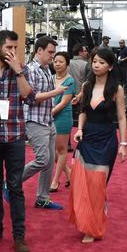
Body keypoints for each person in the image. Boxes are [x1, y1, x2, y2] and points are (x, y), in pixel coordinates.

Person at [67, 48, 127, 244]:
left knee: (97, 185)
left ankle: (95, 222)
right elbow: (83, 110)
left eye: (101, 62)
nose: (96, 65)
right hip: (87, 139)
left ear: (110, 66)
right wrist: (79, 129)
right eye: (94, 61)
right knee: (82, 183)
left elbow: (121, 117)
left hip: (106, 140)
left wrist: (124, 144)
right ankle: (89, 223)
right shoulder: (87, 84)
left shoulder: (116, 89)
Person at [0, 30, 33, 252]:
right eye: (9, 48)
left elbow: (29, 97)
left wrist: (18, 71)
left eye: (16, 48)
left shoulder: (21, 70)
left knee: (15, 186)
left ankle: (19, 235)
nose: (13, 52)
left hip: (14, 136)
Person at [22, 36, 67, 210]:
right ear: (38, 50)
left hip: (48, 120)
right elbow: (30, 98)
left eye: (54, 53)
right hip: (35, 120)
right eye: (50, 52)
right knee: (42, 160)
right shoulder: (31, 70)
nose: (52, 56)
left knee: (48, 162)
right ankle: (11, 182)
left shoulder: (46, 69)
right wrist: (56, 92)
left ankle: (42, 198)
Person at [50, 52, 76, 192]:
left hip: (62, 118)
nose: (57, 64)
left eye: (61, 61)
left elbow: (64, 103)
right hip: (49, 116)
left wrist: (49, 113)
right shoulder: (51, 77)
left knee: (61, 150)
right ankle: (70, 173)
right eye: (55, 61)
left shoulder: (70, 81)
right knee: (51, 152)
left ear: (67, 63)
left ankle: (55, 181)